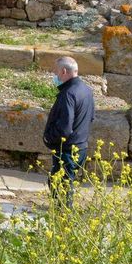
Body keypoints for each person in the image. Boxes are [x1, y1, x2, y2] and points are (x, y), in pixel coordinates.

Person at [43, 55, 95, 208]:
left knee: (59, 183)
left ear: (64, 71)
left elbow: (65, 127)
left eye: (56, 72)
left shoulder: (68, 94)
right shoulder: (86, 90)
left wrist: (49, 138)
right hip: (81, 146)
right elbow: (91, 117)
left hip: (67, 148)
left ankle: (63, 215)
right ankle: (63, 212)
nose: (55, 75)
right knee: (64, 181)